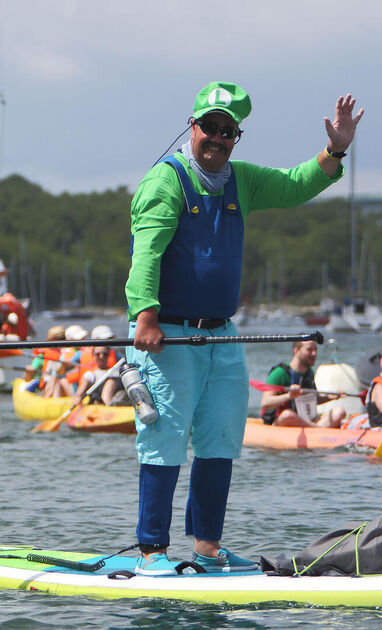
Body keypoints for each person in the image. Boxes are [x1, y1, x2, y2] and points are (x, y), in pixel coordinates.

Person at [125, 81, 362, 575]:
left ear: (237, 136)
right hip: (167, 334)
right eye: (208, 127)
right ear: (191, 127)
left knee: (220, 441)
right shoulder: (165, 182)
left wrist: (336, 148)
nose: (216, 138)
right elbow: (146, 252)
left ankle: (207, 551)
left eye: (227, 131)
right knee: (165, 441)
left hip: (223, 335)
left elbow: (297, 183)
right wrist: (145, 315)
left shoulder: (242, 181)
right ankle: (152, 554)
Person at [259, 339, 347, 428]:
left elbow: (313, 400)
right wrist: (289, 396)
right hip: (284, 421)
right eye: (309, 350)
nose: (314, 354)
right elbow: (265, 403)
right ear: (296, 350)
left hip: (305, 420)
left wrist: (332, 397)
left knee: (339, 412)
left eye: (315, 349)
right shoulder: (279, 373)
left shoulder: (309, 373)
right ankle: (319, 429)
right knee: (288, 415)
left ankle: (315, 428)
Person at [23, 325, 67, 392]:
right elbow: (28, 378)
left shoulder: (69, 353)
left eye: (64, 339)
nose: (62, 342)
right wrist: (28, 372)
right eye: (59, 339)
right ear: (51, 340)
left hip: (66, 387)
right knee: (54, 379)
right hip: (47, 388)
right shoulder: (42, 356)